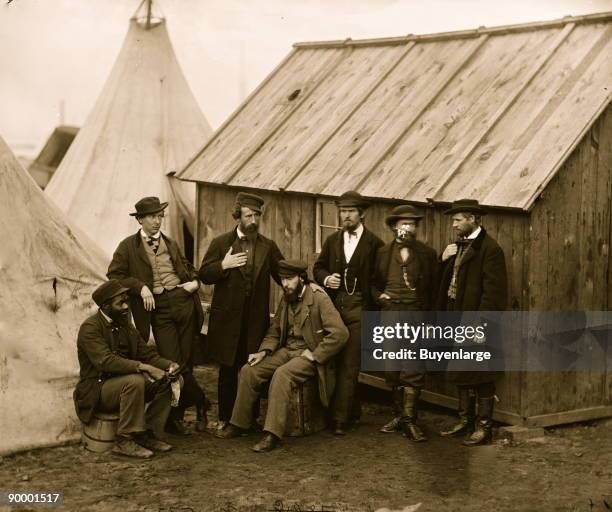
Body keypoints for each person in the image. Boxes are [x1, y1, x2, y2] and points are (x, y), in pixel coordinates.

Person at [217, 260, 348, 452]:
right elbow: (275, 330)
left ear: (301, 278)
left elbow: (340, 333)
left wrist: (316, 354)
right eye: (283, 280)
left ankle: (272, 434)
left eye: (289, 279)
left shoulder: (320, 298)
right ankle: (239, 423)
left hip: (309, 355)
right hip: (286, 350)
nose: (285, 284)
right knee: (249, 370)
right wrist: (263, 351)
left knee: (282, 375)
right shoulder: (287, 297)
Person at [107, 196, 208, 435]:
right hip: (157, 309)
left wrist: (194, 282)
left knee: (186, 362)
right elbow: (114, 275)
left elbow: (188, 268)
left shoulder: (170, 243)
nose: (157, 221)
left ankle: (175, 417)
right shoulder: (128, 247)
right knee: (173, 363)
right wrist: (140, 287)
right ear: (140, 220)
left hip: (183, 303)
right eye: (152, 217)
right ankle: (201, 401)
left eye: (160, 216)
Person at [199, 192, 284, 432]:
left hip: (255, 320)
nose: (253, 220)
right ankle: (226, 418)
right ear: (238, 217)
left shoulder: (268, 246)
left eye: (257, 215)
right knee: (228, 369)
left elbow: (282, 274)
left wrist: (305, 286)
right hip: (227, 319)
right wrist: (223, 266)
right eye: (248, 215)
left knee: (252, 368)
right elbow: (204, 274)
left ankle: (250, 418)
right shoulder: (220, 243)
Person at [74, 280, 180, 458]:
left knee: (171, 380)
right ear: (106, 306)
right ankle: (123, 440)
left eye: (126, 301)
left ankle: (146, 433)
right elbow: (105, 361)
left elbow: (147, 354)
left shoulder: (126, 325)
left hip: (126, 385)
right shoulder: (90, 328)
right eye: (120, 303)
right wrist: (143, 367)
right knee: (135, 380)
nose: (125, 306)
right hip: (97, 390)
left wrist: (168, 365)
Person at [437, 199, 507, 446]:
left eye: (457, 220)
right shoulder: (457, 247)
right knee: (461, 371)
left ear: (472, 220)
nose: (454, 225)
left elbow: (493, 295)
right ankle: (465, 421)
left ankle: (484, 427)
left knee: (481, 374)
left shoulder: (490, 250)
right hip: (456, 317)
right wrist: (443, 258)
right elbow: (448, 282)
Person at [313, 191, 384, 435]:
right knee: (332, 361)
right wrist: (326, 278)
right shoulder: (332, 241)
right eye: (342, 211)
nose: (345, 216)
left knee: (350, 364)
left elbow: (379, 280)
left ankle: (340, 419)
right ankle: (351, 412)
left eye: (350, 211)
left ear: (361, 214)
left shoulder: (375, 244)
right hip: (333, 308)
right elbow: (318, 267)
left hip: (359, 309)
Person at [371, 205, 439, 442]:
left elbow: (433, 291)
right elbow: (372, 284)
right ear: (394, 227)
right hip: (390, 313)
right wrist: (379, 296)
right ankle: (399, 415)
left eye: (413, 224)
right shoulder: (382, 253)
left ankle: (410, 420)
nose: (408, 228)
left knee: (413, 366)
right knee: (392, 366)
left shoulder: (427, 254)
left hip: (415, 314)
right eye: (403, 224)